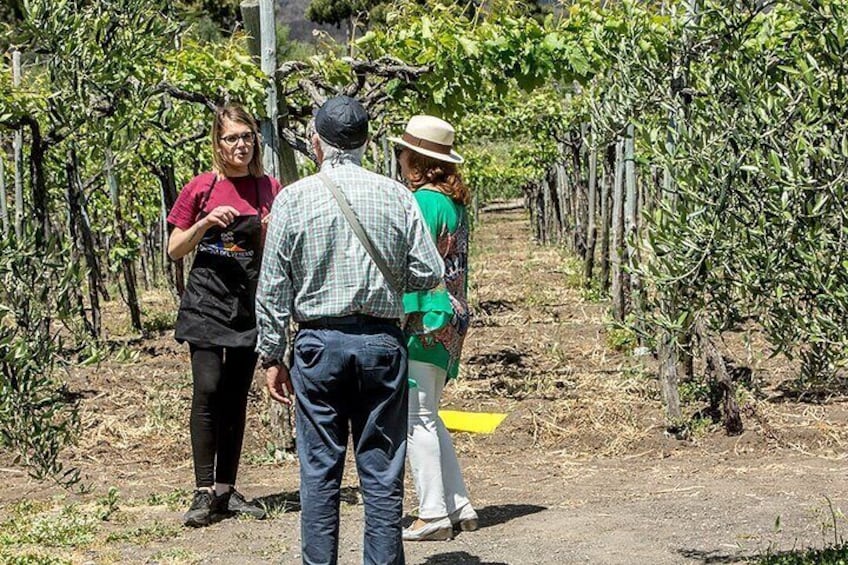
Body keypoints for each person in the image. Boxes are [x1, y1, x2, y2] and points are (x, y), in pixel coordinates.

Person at [256, 95, 444, 565]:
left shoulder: (292, 200)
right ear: (365, 144)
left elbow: (273, 286)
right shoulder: (397, 195)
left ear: (316, 143)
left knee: (319, 471)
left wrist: (272, 355)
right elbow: (427, 271)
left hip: (318, 346)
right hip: (382, 344)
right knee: (381, 472)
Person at [167, 103, 282, 528]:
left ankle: (225, 490)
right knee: (208, 388)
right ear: (218, 144)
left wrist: (270, 229)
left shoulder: (269, 187)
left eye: (247, 136)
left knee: (236, 396)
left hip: (249, 306)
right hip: (206, 302)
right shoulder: (201, 187)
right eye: (232, 137)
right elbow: (175, 248)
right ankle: (201, 489)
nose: (241, 145)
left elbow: (276, 250)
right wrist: (205, 224)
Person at [389, 116, 477, 541]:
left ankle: (432, 514)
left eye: (404, 152)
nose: (400, 159)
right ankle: (458, 503)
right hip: (451, 315)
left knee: (416, 419)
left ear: (418, 161)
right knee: (430, 415)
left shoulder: (423, 201)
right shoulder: (455, 202)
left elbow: (414, 265)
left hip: (424, 317)